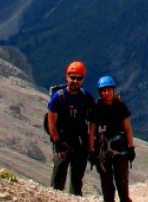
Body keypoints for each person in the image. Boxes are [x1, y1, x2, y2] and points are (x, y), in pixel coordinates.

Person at [48, 60, 95, 196]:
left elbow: (93, 122)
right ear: (66, 76)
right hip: (62, 140)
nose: (75, 81)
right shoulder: (58, 98)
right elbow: (51, 122)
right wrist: (57, 143)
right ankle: (55, 198)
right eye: (72, 77)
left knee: (77, 179)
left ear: (83, 79)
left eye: (78, 78)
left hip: (80, 141)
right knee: (59, 174)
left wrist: (91, 146)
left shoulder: (86, 97)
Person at [89, 75, 135, 202]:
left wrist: (131, 147)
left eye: (108, 90)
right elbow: (92, 131)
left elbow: (127, 128)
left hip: (121, 150)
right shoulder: (96, 109)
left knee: (122, 180)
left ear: (113, 90)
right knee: (106, 182)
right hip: (102, 151)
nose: (106, 93)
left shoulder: (121, 107)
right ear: (100, 92)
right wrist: (91, 150)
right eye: (103, 91)